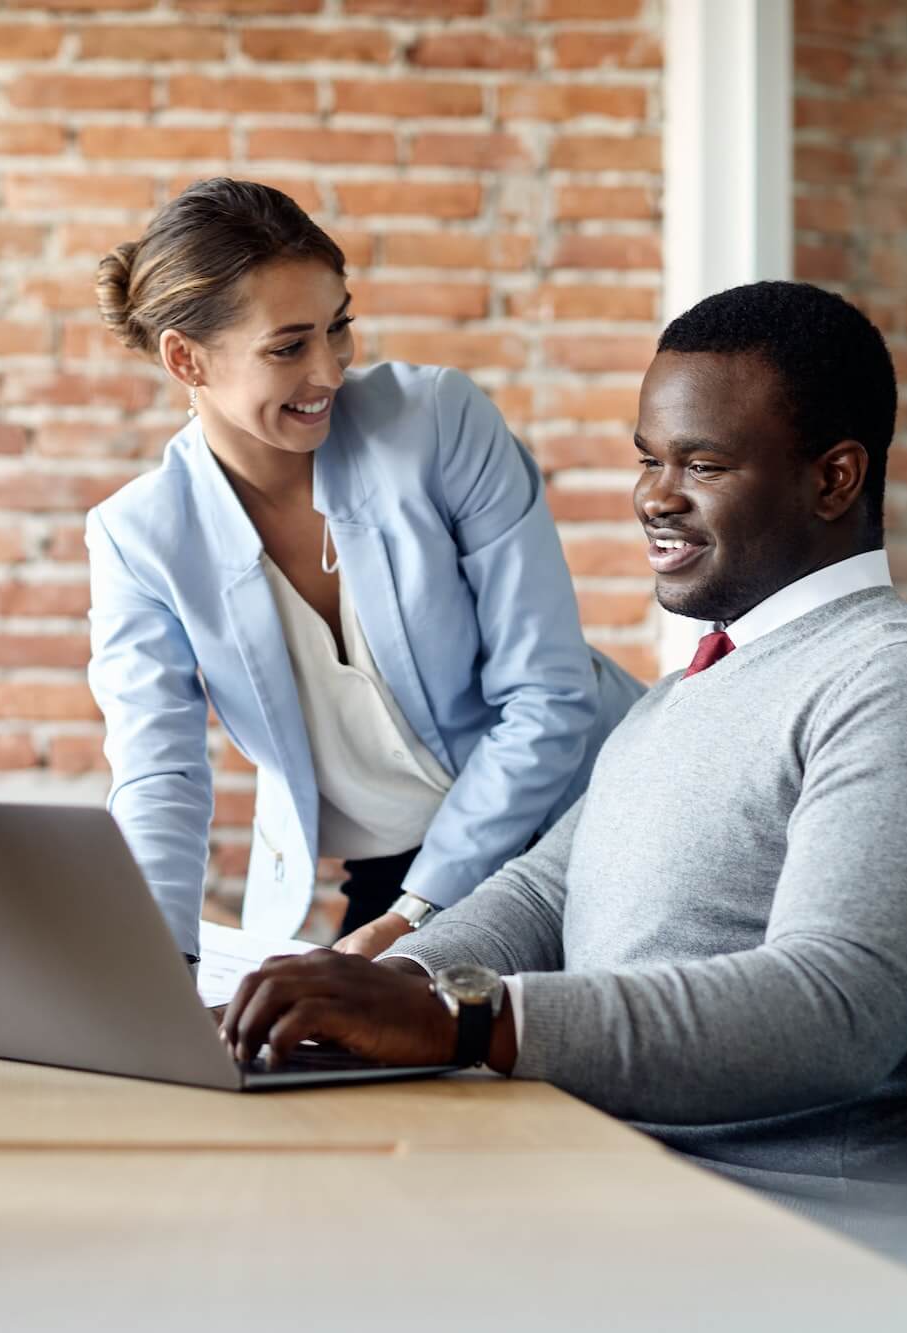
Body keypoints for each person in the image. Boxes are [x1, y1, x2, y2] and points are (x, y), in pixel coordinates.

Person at [222, 280, 907, 1228]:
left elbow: (835, 1011)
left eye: (702, 463)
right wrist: (385, 987)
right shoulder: (684, 694)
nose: (655, 496)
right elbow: (541, 895)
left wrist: (469, 1018)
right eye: (649, 459)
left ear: (834, 479)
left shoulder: (901, 685)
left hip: (759, 1228)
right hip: (588, 1177)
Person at [86, 178, 643, 963]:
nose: (330, 370)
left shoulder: (438, 423)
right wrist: (156, 969)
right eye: (289, 347)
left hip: (587, 815)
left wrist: (411, 919)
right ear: (187, 359)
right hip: (395, 872)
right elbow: (161, 775)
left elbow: (548, 695)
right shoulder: (139, 537)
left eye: (337, 328)